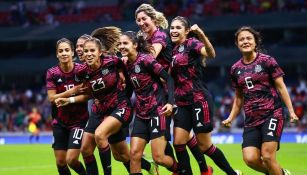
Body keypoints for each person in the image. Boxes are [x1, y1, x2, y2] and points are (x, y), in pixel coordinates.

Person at [56, 36, 158, 175]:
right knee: (109, 153)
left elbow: (128, 76)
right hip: (99, 111)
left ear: (100, 52)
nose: (88, 53)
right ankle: (147, 165)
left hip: (119, 107)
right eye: (85, 50)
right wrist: (69, 100)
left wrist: (126, 92)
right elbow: (89, 94)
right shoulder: (82, 72)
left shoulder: (113, 62)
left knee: (100, 135)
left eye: (91, 50)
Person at [135, 4, 210, 174]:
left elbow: (151, 57)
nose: (141, 23)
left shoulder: (160, 35)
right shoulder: (146, 38)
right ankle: (202, 169)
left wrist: (133, 52)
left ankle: (193, 170)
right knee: (178, 137)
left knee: (173, 138)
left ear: (153, 19)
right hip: (163, 90)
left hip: (169, 90)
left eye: (144, 19)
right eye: (138, 20)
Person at [170, 16, 242, 175]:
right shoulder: (172, 50)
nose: (173, 31)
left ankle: (232, 173)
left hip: (198, 100)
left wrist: (201, 34)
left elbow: (211, 53)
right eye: (172, 28)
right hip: (181, 103)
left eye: (177, 28)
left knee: (205, 146)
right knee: (178, 143)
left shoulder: (192, 44)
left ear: (187, 31)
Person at [222, 26, 299, 175]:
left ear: (255, 42)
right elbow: (239, 97)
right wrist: (230, 118)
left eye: (249, 38)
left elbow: (282, 88)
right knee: (250, 159)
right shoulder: (235, 69)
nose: (245, 41)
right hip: (251, 120)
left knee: (268, 156)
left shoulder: (267, 61)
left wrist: (291, 111)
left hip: (272, 114)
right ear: (237, 44)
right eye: (241, 39)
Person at [118, 31, 179, 175]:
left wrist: (170, 103)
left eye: (125, 43)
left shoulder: (146, 60)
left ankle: (181, 170)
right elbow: (128, 90)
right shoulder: (125, 64)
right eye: (120, 44)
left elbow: (169, 79)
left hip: (158, 111)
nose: (121, 46)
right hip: (140, 114)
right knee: (134, 155)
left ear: (135, 45)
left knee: (159, 157)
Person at [46, 38, 88, 175]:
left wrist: (67, 99)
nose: (64, 53)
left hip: (78, 122)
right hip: (59, 121)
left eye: (66, 50)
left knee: (71, 160)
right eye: (60, 51)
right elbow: (51, 98)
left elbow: (88, 96)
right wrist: (72, 91)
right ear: (57, 54)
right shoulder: (52, 73)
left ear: (72, 52)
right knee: (60, 162)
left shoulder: (82, 70)